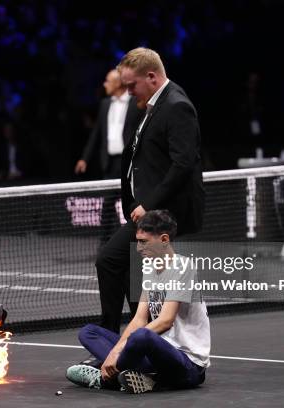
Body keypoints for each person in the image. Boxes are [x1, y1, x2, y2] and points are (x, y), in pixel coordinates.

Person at [94, 47, 204, 339]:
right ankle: (139, 341)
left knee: (109, 259)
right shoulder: (152, 106)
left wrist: (148, 205)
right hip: (146, 211)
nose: (128, 92)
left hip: (161, 214)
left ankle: (109, 341)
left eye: (132, 85)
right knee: (135, 273)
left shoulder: (176, 105)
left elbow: (183, 164)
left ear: (152, 77)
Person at [66, 210, 210, 394]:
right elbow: (139, 319)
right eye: (137, 241)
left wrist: (117, 353)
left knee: (141, 336)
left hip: (188, 366)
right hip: (156, 359)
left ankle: (104, 380)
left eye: (144, 242)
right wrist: (114, 352)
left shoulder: (183, 269)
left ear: (164, 240)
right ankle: (140, 376)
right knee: (89, 332)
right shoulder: (150, 268)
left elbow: (166, 320)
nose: (139, 248)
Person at [74, 69, 143, 179]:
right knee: (109, 195)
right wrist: (84, 158)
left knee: (129, 195)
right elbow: (96, 134)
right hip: (108, 162)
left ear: (118, 83)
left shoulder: (136, 103)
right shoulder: (105, 104)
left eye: (108, 81)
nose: (104, 84)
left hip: (130, 162)